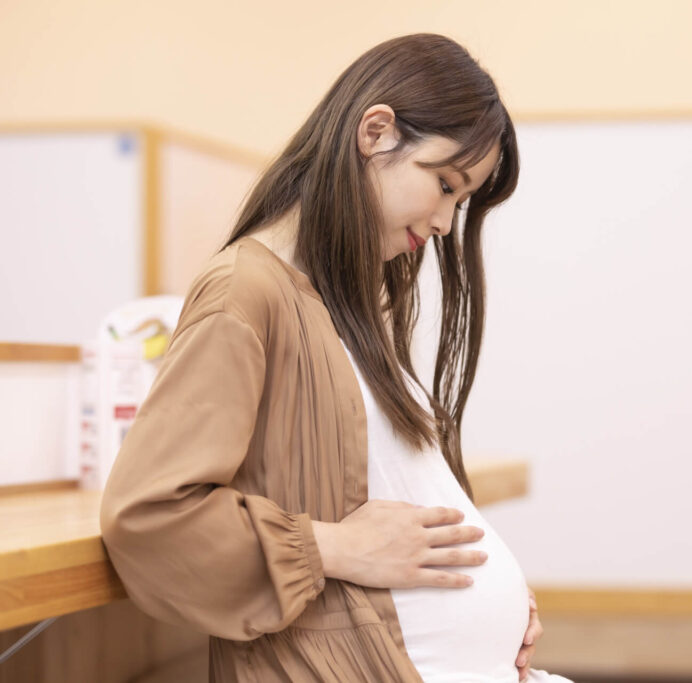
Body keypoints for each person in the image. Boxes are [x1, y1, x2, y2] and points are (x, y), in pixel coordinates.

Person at [99, 33, 572, 682]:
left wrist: (501, 599)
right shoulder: (245, 291)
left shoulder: (351, 298)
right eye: (443, 185)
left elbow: (394, 487)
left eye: (459, 204)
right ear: (375, 132)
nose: (443, 224)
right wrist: (334, 546)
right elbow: (148, 517)